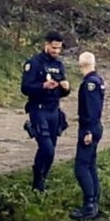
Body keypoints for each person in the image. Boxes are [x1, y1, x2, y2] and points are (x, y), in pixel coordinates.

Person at [20, 31, 71, 192]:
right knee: (46, 148)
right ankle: (37, 180)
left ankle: (41, 182)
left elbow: (63, 91)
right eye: (54, 47)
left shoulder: (59, 65)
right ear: (46, 45)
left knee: (51, 151)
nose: (56, 51)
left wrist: (66, 89)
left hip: (54, 110)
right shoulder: (34, 63)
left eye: (59, 48)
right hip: (38, 109)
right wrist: (43, 86)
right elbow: (25, 88)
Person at [70, 52, 105, 220]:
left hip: (89, 127)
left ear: (80, 65)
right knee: (90, 165)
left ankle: (89, 204)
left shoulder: (89, 84)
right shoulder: (98, 81)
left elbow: (90, 109)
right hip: (96, 126)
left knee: (81, 167)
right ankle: (94, 202)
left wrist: (88, 131)